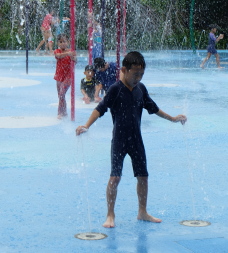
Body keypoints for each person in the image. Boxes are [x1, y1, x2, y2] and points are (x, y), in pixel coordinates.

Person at [76, 51, 187, 228]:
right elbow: (100, 109)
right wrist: (86, 125)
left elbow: (154, 109)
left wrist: (173, 118)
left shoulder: (141, 89)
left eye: (141, 74)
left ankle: (142, 211)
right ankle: (110, 214)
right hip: (119, 140)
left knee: (143, 176)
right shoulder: (115, 89)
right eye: (135, 74)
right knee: (115, 178)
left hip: (136, 140)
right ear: (124, 70)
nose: (138, 78)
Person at [54, 34, 76, 119]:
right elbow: (58, 56)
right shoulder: (57, 51)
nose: (63, 43)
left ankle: (60, 112)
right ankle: (64, 111)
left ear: (68, 42)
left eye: (64, 41)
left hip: (68, 76)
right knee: (60, 95)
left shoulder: (71, 51)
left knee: (62, 92)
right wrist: (68, 54)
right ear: (58, 43)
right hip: (59, 75)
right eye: (60, 42)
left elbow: (75, 60)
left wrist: (74, 58)